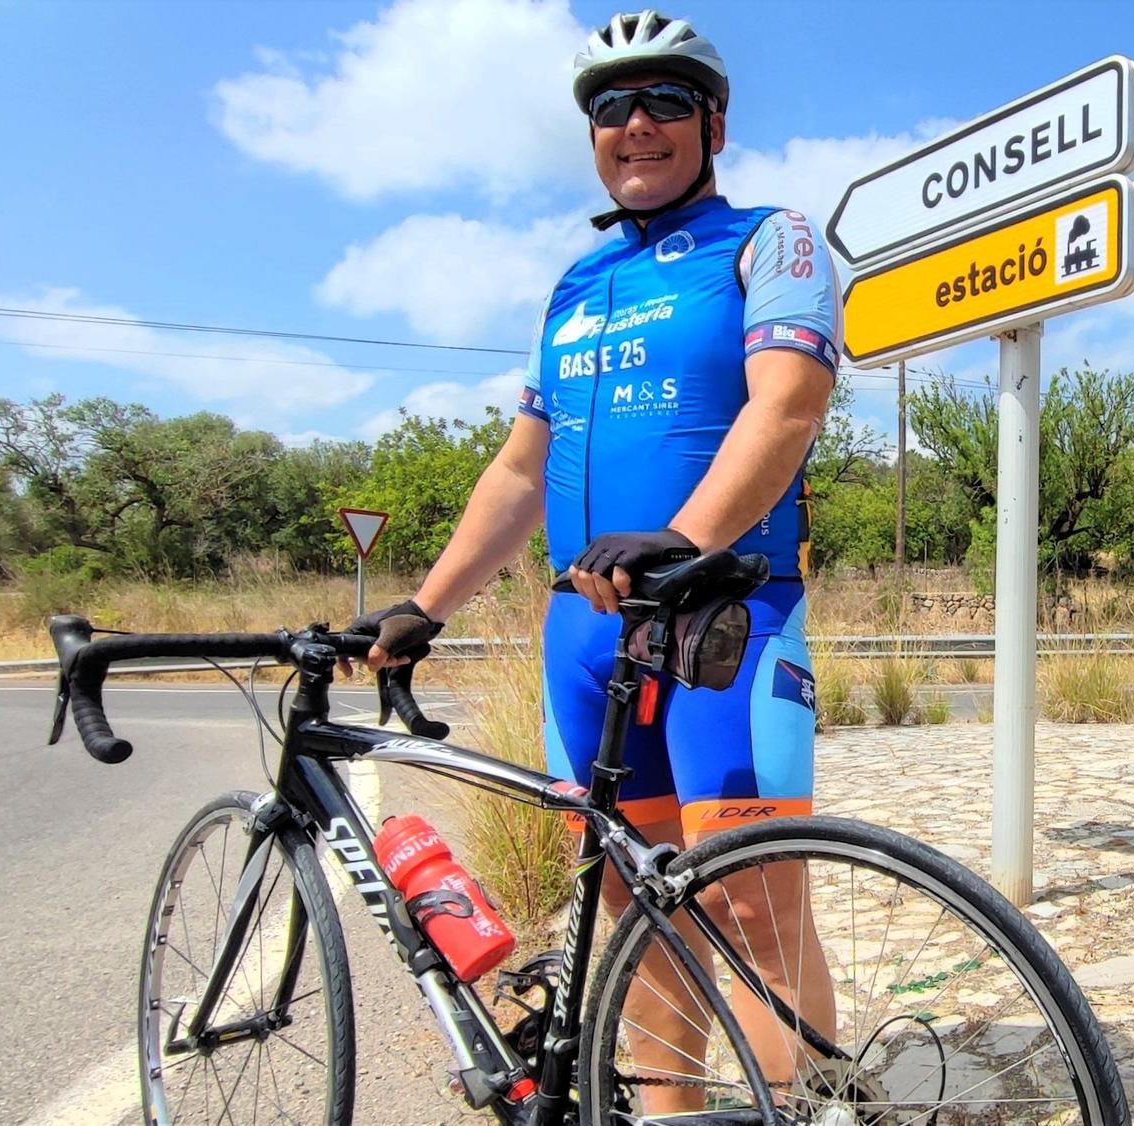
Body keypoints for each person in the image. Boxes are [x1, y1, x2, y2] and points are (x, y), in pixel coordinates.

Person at [350, 8, 840, 1110]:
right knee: (633, 897)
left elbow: (789, 402)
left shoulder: (770, 239)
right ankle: (675, 1112)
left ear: (711, 122)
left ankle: (806, 1103)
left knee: (754, 897)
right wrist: (424, 605)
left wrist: (683, 537)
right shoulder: (574, 286)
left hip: (726, 617)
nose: (635, 124)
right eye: (610, 107)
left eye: (664, 100)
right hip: (584, 631)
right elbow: (521, 470)